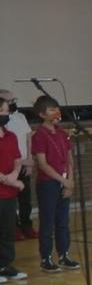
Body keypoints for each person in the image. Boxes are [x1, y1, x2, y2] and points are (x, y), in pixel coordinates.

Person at [31, 95, 80, 273]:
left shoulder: (62, 134)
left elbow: (69, 159)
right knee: (48, 222)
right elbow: (43, 164)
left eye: (57, 109)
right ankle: (46, 258)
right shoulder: (39, 136)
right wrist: (62, 180)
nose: (56, 112)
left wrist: (70, 182)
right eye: (51, 110)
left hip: (64, 181)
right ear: (42, 114)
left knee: (63, 221)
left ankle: (64, 255)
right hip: (48, 183)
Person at [0, 90, 35, 239]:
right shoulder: (4, 125)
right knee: (8, 201)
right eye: (9, 101)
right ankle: (14, 227)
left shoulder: (20, 117)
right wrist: (8, 178)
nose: (12, 103)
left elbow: (28, 139)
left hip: (21, 164)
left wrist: (29, 160)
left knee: (25, 199)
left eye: (13, 100)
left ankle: (26, 225)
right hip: (5, 169)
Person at [0, 97, 27, 282]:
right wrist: (8, 181)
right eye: (3, 111)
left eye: (7, 111)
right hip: (4, 187)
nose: (7, 115)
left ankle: (5, 265)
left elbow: (17, 160)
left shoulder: (11, 136)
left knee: (7, 230)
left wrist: (15, 175)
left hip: (9, 194)